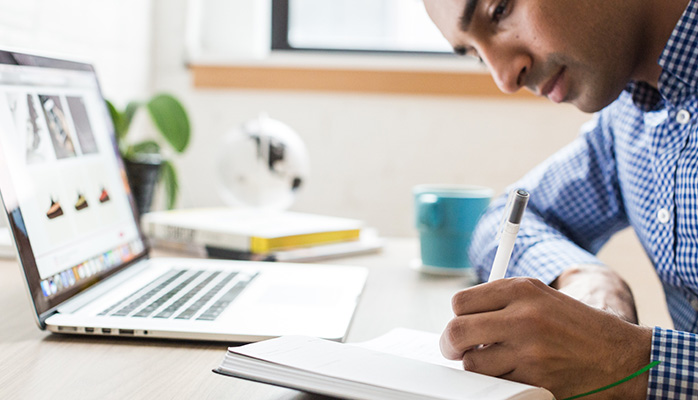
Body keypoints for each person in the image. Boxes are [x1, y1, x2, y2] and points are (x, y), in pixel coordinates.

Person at [423, 0, 698, 398]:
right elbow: (503, 219)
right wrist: (586, 278)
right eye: (475, 55)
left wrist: (627, 360)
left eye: (500, 10)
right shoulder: (628, 118)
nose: (504, 78)